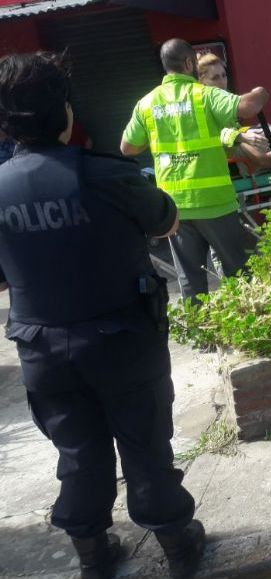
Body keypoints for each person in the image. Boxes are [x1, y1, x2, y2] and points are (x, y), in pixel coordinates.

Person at [0, 52, 204, 579]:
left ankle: (93, 557)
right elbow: (167, 221)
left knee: (78, 456)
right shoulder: (107, 176)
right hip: (124, 343)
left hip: (44, 351)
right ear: (66, 112)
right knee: (144, 446)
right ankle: (178, 548)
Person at [120, 39, 269, 302]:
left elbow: (128, 147)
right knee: (239, 273)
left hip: (175, 207)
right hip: (215, 204)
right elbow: (248, 107)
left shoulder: (146, 103)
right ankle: (249, 331)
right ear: (189, 63)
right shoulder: (206, 95)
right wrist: (261, 91)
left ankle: (201, 336)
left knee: (189, 279)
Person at [196, 53, 271, 173]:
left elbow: (262, 160)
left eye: (223, 76)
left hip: (230, 163)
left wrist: (240, 139)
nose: (222, 81)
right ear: (201, 82)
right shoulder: (209, 103)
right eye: (216, 77)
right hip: (220, 156)